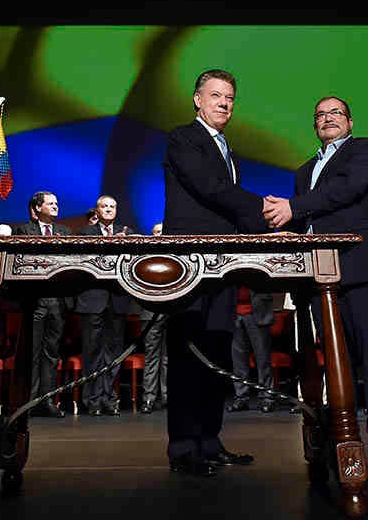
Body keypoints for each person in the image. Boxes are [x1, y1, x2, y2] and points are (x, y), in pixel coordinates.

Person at [263, 95, 368, 471]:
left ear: (350, 121)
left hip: (362, 271)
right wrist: (280, 228)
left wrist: (295, 207)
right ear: (314, 126)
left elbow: (347, 190)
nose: (328, 119)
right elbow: (302, 219)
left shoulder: (366, 151)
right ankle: (343, 437)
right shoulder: (304, 170)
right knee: (335, 364)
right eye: (320, 115)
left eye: (335, 113)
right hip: (319, 279)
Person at [161, 69, 267, 477]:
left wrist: (269, 223)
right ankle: (184, 448)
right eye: (216, 95)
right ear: (197, 100)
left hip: (225, 263)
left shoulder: (230, 152)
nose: (224, 103)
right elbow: (210, 188)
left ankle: (209, 440)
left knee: (218, 350)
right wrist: (267, 210)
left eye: (230, 98)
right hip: (189, 262)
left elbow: (232, 208)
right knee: (190, 353)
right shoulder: (182, 138)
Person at [14, 191, 70, 418]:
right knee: (33, 353)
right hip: (35, 300)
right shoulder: (23, 231)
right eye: (51, 203)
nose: (56, 206)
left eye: (57, 203)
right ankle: (28, 402)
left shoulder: (65, 232)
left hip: (57, 300)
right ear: (37, 208)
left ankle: (46, 401)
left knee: (51, 353)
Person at [77, 195, 134, 415]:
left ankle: (109, 399)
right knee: (92, 351)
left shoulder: (127, 233)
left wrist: (124, 244)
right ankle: (92, 401)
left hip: (118, 299)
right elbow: (86, 263)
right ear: (97, 210)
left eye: (112, 206)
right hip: (93, 299)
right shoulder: (85, 233)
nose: (109, 209)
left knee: (114, 352)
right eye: (104, 206)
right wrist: (110, 245)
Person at [226, 286, 276, 412]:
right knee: (238, 360)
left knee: (263, 359)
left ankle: (267, 398)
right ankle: (241, 398)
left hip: (258, 311)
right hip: (233, 312)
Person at [136, 221, 168, 413]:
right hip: (150, 313)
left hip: (171, 312)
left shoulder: (175, 256)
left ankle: (167, 396)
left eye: (162, 232)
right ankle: (148, 398)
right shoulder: (144, 257)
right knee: (152, 357)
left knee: (168, 358)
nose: (159, 235)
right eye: (155, 232)